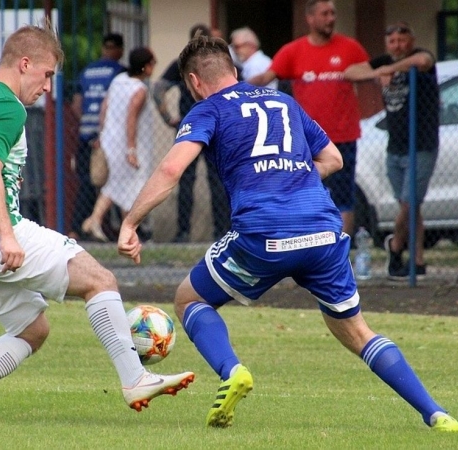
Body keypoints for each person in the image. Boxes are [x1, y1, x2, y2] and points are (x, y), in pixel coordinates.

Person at [117, 34, 458, 431]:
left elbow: (171, 169)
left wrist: (130, 222)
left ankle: (232, 371)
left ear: (194, 81)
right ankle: (435, 413)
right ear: (232, 69)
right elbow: (332, 158)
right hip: (322, 232)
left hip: (264, 235)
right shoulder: (284, 102)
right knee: (358, 332)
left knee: (189, 299)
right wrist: (292, 178)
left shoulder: (208, 109)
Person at [0, 23, 194, 415]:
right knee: (100, 280)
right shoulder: (7, 106)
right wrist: (6, 235)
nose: (46, 87)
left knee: (32, 329)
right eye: (46, 75)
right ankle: (135, 379)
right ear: (24, 64)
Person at [249, 0, 369, 238]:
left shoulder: (350, 48)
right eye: (325, 14)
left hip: (343, 136)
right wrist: (231, 89)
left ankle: (340, 248)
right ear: (310, 18)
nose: (331, 18)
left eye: (333, 13)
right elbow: (265, 78)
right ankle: (312, 246)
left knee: (344, 197)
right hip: (307, 139)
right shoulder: (293, 51)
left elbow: (369, 71)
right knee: (307, 192)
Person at [344, 22, 438, 280]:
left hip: (421, 145)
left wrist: (390, 70)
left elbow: (423, 61)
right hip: (394, 146)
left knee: (409, 202)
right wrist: (378, 72)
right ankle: (417, 261)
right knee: (410, 207)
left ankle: (395, 245)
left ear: (411, 41)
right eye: (393, 42)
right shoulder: (384, 62)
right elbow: (351, 72)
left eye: (402, 40)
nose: (398, 46)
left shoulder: (421, 59)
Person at [153, 23, 230, 243]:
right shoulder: (220, 64)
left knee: (185, 179)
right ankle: (221, 231)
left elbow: (158, 89)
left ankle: (183, 232)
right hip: (217, 125)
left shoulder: (183, 63)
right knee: (218, 180)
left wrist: (168, 118)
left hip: (190, 124)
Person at [81, 47, 157, 243]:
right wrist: (131, 149)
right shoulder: (139, 90)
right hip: (128, 145)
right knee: (127, 186)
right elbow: (131, 118)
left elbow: (104, 107)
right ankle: (111, 225)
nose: (154, 67)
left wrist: (102, 133)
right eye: (152, 64)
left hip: (111, 141)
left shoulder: (118, 80)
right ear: (145, 66)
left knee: (119, 185)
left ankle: (102, 222)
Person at [69, 33, 126, 240]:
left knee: (86, 183)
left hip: (86, 135)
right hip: (109, 138)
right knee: (118, 182)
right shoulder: (120, 72)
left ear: (103, 48)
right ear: (119, 50)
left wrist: (87, 122)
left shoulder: (87, 71)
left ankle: (77, 229)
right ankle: (122, 228)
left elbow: (76, 104)